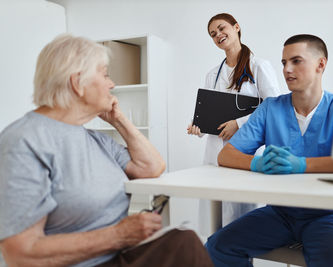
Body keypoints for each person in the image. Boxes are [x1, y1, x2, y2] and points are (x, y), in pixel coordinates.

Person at [0, 34, 213, 267]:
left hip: (117, 256)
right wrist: (118, 235)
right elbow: (20, 253)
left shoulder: (95, 139)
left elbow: (151, 167)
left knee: (184, 242)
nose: (112, 84)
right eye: (104, 74)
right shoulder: (24, 142)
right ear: (77, 82)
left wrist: (119, 119)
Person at [205, 34, 333, 267]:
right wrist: (256, 164)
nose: (287, 69)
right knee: (219, 246)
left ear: (320, 64)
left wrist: (302, 165)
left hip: (329, 215)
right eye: (283, 63)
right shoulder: (271, 108)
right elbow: (226, 155)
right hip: (281, 213)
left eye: (296, 61)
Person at [187, 13, 283, 226]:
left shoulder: (258, 66)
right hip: (215, 154)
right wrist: (199, 127)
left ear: (236, 27)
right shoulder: (212, 74)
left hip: (246, 151)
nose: (218, 35)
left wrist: (238, 124)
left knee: (243, 221)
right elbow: (210, 112)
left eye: (222, 29)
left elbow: (274, 106)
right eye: (213, 34)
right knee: (216, 220)